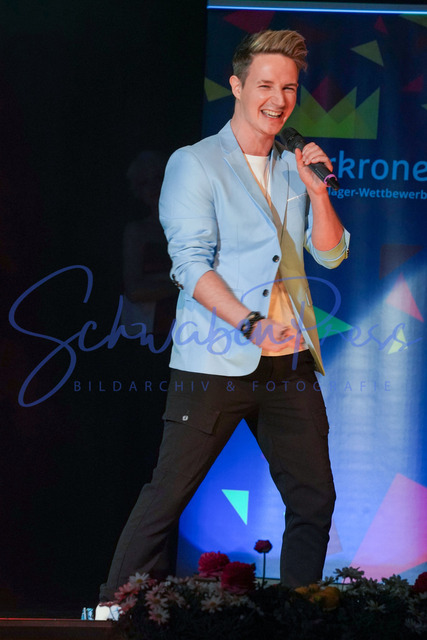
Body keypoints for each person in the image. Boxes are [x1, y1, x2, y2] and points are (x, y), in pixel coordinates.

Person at [97, 29, 350, 614]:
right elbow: (189, 264)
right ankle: (114, 606)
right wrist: (250, 322)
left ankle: (297, 614)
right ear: (237, 86)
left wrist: (318, 193)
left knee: (314, 498)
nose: (278, 99)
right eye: (265, 85)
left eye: (289, 88)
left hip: (288, 362)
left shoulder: (294, 165)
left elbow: (332, 255)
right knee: (169, 493)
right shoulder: (195, 163)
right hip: (215, 358)